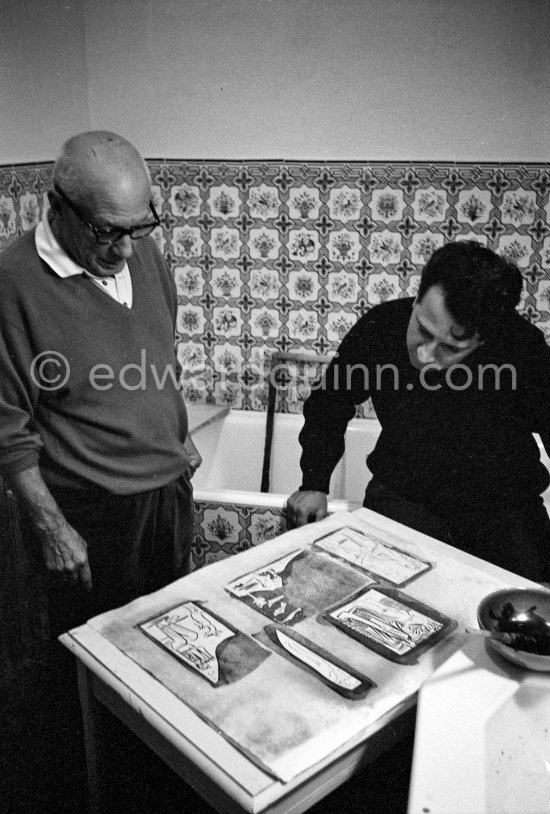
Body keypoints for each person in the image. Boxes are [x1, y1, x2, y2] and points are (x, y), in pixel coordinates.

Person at [0, 131, 201, 811]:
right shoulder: (14, 285)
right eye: (110, 233)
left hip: (164, 493)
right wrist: (53, 527)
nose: (126, 250)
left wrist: (174, 438)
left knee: (164, 659)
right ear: (58, 207)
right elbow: (9, 429)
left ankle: (155, 788)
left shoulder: (139, 250)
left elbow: (155, 354)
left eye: (140, 228)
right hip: (91, 512)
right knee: (90, 677)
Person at [286, 241, 550, 583]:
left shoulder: (521, 347)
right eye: (423, 329)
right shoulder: (381, 327)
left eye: (451, 348)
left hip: (502, 510)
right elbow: (329, 402)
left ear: (482, 340)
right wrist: (314, 481)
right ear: (417, 299)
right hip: (403, 497)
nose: (426, 354)